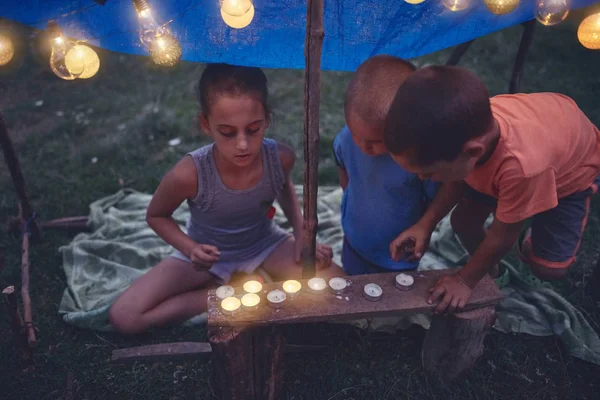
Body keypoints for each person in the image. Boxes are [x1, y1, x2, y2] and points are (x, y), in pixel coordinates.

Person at [109, 63, 341, 335]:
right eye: (228, 133)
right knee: (125, 316)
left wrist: (301, 230)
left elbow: (284, 186)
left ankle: (254, 290)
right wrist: (189, 248)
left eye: (253, 130)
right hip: (207, 256)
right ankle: (219, 295)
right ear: (206, 124)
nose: (242, 144)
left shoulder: (280, 157)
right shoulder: (190, 174)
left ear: (266, 119)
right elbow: (156, 215)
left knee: (337, 284)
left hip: (264, 243)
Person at [384, 65, 600, 314]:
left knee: (549, 269)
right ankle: (490, 269)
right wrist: (426, 224)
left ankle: (532, 222)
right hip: (538, 143)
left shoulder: (523, 168)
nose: (423, 179)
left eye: (429, 173)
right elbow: (458, 178)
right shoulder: (465, 128)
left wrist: (465, 280)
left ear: (473, 152)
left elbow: (502, 235)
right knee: (463, 221)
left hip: (571, 173)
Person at [333, 55, 439, 275]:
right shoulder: (345, 139)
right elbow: (341, 163)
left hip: (398, 253)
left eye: (375, 141)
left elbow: (435, 197)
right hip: (354, 238)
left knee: (393, 297)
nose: (363, 146)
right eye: (355, 134)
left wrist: (425, 226)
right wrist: (348, 198)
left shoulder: (416, 161)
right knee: (352, 287)